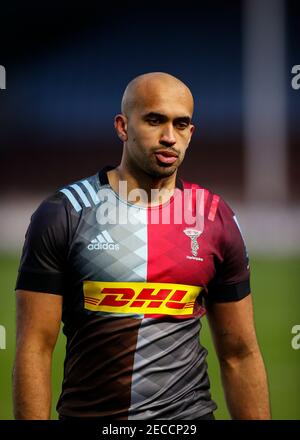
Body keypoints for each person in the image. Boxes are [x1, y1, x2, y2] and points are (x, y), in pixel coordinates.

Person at [13, 72, 271, 420]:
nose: (169, 137)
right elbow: (35, 349)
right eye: (154, 120)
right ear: (122, 126)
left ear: (190, 134)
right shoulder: (65, 213)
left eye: (181, 125)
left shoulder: (214, 218)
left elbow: (240, 353)